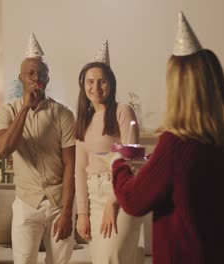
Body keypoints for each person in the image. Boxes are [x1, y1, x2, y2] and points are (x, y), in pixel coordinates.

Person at [110, 12, 224, 264]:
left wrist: (117, 164)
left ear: (178, 88)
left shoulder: (176, 144)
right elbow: (199, 185)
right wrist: (154, 163)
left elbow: (133, 201)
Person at [0, 33, 76, 264]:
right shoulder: (7, 112)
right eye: (30, 73)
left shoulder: (64, 114)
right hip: (26, 204)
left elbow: (71, 165)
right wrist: (25, 109)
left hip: (58, 204)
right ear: (20, 77)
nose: (36, 77)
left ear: (48, 79)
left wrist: (67, 212)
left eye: (41, 73)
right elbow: (3, 150)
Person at [74, 41, 144, 264]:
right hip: (94, 195)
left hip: (119, 193)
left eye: (102, 81)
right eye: (90, 81)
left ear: (111, 84)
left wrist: (112, 203)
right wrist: (83, 213)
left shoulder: (123, 111)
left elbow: (130, 160)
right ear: (83, 85)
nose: (96, 87)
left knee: (112, 259)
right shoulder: (84, 120)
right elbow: (80, 170)